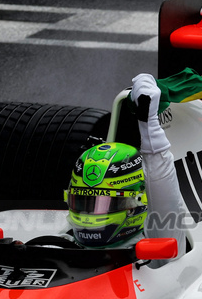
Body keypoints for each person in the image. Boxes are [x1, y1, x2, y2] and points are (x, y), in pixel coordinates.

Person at [64, 73, 185, 257]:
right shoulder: (62, 244)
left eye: (105, 203)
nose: (90, 215)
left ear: (134, 204)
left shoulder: (158, 249)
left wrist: (150, 125)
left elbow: (160, 179)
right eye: (83, 202)